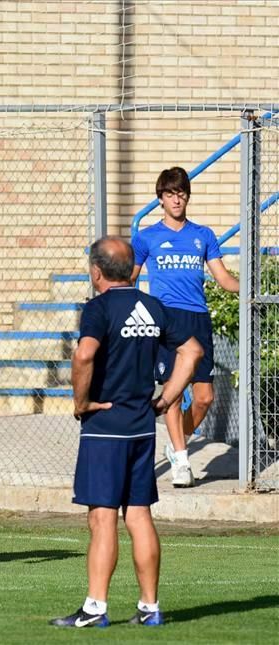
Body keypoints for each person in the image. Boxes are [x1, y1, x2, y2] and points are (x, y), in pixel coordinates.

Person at [51, 236, 203, 628]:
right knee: (139, 515)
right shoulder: (153, 307)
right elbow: (192, 351)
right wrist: (167, 398)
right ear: (130, 269)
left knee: (102, 518)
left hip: (105, 428)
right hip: (141, 429)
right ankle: (150, 608)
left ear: (96, 271)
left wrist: (81, 403)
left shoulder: (98, 308)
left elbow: (83, 354)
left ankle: (95, 609)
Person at [130, 167, 239, 487]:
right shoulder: (146, 237)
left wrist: (250, 289)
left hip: (198, 318)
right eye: (169, 194)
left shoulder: (203, 235)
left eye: (180, 193)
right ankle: (181, 461)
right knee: (173, 394)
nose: (176, 199)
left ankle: (179, 441)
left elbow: (223, 278)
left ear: (187, 196)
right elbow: (130, 279)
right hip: (166, 320)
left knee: (204, 397)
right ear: (160, 199)